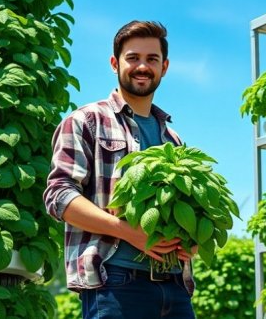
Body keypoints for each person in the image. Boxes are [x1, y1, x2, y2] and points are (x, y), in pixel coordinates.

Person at [44, 20, 196, 318]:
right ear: (115, 63)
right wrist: (128, 232)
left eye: (152, 59)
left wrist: (191, 241)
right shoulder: (86, 121)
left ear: (164, 67)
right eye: (133, 58)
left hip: (175, 284)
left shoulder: (173, 140)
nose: (143, 66)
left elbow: (182, 209)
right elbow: (58, 195)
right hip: (115, 281)